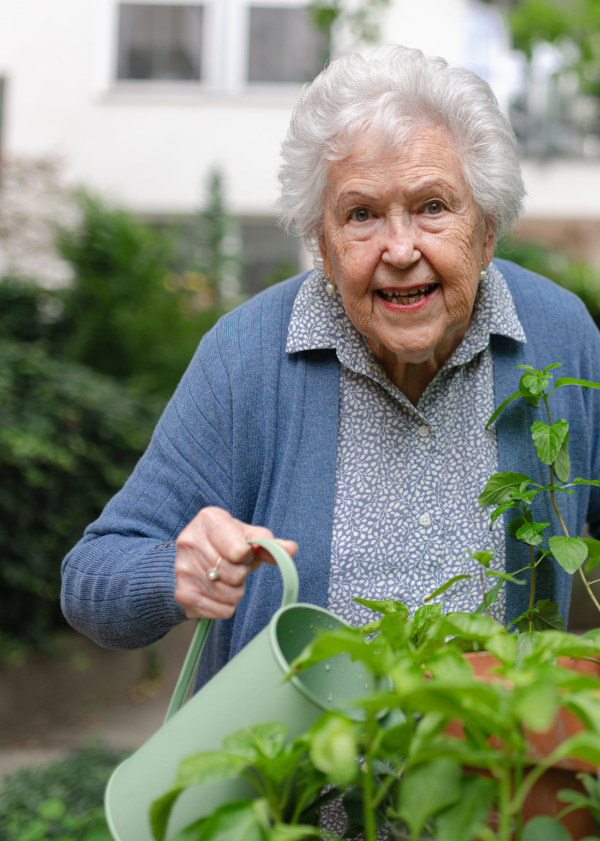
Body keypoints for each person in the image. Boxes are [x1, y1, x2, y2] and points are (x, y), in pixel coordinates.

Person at [61, 45, 600, 690]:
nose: (400, 250)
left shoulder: (558, 335)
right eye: (362, 214)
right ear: (321, 242)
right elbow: (91, 579)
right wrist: (176, 571)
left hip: (495, 781)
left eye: (432, 206)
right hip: (287, 785)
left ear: (486, 231)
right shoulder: (250, 356)